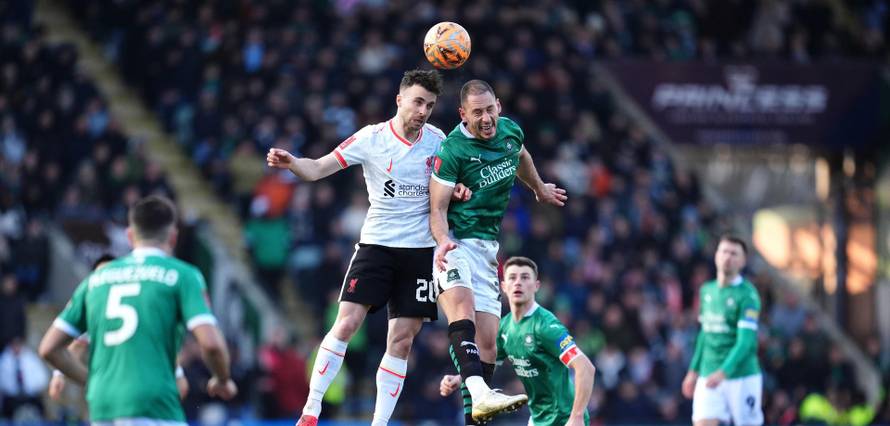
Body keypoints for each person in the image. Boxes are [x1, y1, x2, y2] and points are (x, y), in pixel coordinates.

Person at [266, 69, 471, 426]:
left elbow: (452, 187)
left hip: (420, 251)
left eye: (430, 105)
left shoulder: (439, 141)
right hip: (376, 245)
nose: (423, 111)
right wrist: (292, 164)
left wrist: (459, 191)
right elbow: (316, 169)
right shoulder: (372, 138)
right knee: (346, 324)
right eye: (418, 102)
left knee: (402, 341)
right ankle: (311, 409)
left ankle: (379, 423)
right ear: (399, 99)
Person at [429, 79, 567, 423]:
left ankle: (475, 412)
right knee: (464, 311)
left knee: (489, 344)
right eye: (477, 113)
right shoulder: (453, 150)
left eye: (490, 109)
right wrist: (443, 241)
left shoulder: (510, 132)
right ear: (463, 114)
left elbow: (520, 155)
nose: (486, 118)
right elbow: (436, 208)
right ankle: (478, 393)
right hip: (455, 241)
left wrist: (538, 188)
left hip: (487, 250)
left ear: (499, 106)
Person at [38, 195, 237, 425]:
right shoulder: (182, 275)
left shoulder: (96, 280)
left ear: (130, 236)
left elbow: (49, 348)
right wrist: (222, 379)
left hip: (103, 408)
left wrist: (92, 381)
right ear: (173, 237)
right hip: (153, 408)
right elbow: (211, 344)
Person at [439, 256, 596, 425]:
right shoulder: (505, 327)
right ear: (504, 287)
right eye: (512, 278)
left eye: (525, 277)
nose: (518, 283)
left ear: (536, 286)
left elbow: (586, 367)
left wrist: (577, 416)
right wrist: (459, 378)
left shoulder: (545, 326)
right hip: (538, 419)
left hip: (565, 419)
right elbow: (487, 361)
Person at [47, 255, 190, 404]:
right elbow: (77, 345)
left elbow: (159, 344)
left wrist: (178, 373)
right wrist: (60, 375)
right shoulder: (99, 306)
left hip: (137, 385)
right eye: (101, 274)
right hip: (122, 390)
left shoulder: (132, 303)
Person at [681, 235, 763, 426]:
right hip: (708, 374)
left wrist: (723, 372)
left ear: (742, 261)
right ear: (716, 255)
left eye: (734, 254)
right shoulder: (706, 291)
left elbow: (746, 342)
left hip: (741, 376)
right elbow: (705, 334)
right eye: (724, 251)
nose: (728, 257)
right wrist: (693, 370)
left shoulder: (748, 295)